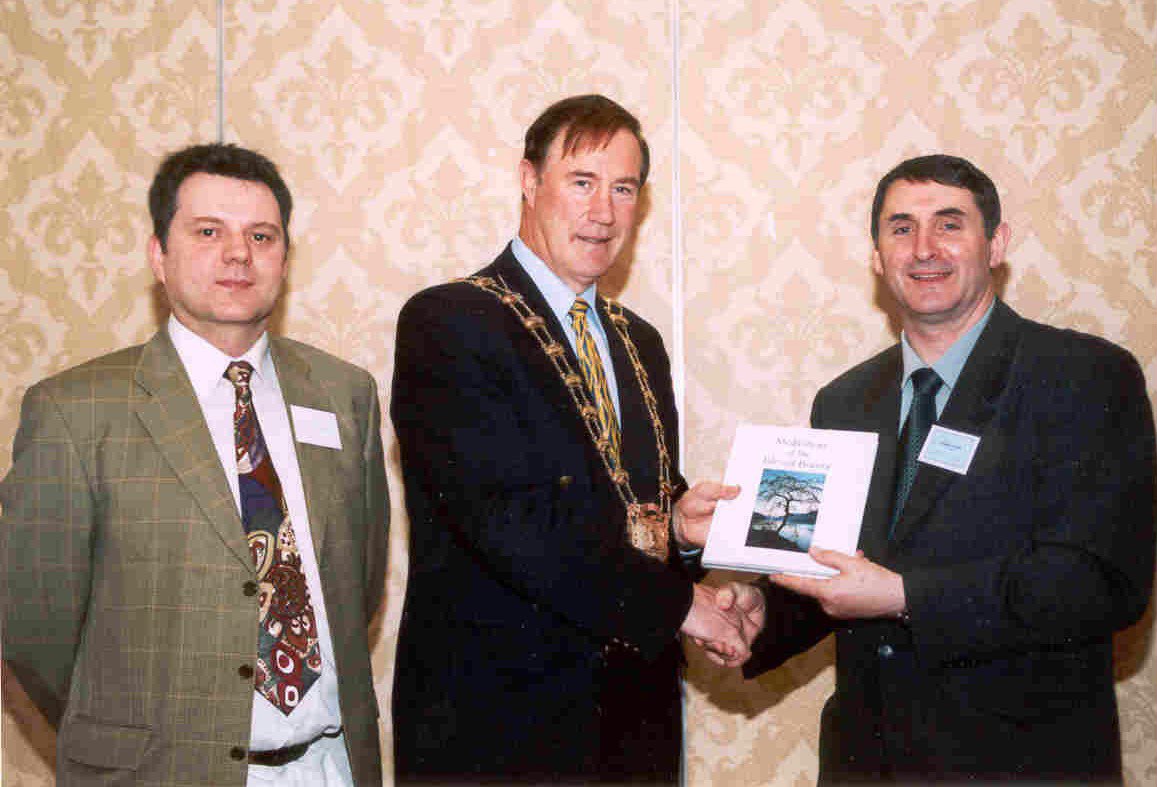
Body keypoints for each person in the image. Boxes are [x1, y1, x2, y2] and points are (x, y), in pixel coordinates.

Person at [713, 154, 1156, 784]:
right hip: (867, 763)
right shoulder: (844, 400)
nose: (924, 248)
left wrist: (904, 596)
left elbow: (1101, 582)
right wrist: (764, 610)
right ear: (877, 256)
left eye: (949, 224)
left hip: (1020, 764)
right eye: (901, 228)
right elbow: (842, 568)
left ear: (996, 244)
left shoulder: (1084, 377)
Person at [390, 94, 754, 784]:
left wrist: (680, 528)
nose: (603, 212)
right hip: (497, 733)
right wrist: (682, 606)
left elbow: (622, 500)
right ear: (529, 181)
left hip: (633, 728)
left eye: (624, 189)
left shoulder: (639, 341)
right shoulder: (451, 322)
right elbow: (508, 520)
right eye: (582, 182)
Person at [0, 143, 390, 786]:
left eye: (261, 236)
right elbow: (34, 628)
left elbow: (359, 580)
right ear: (159, 255)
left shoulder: (343, 394)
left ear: (285, 258)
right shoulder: (77, 412)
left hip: (330, 765)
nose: (239, 253)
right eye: (208, 231)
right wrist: (124, 737)